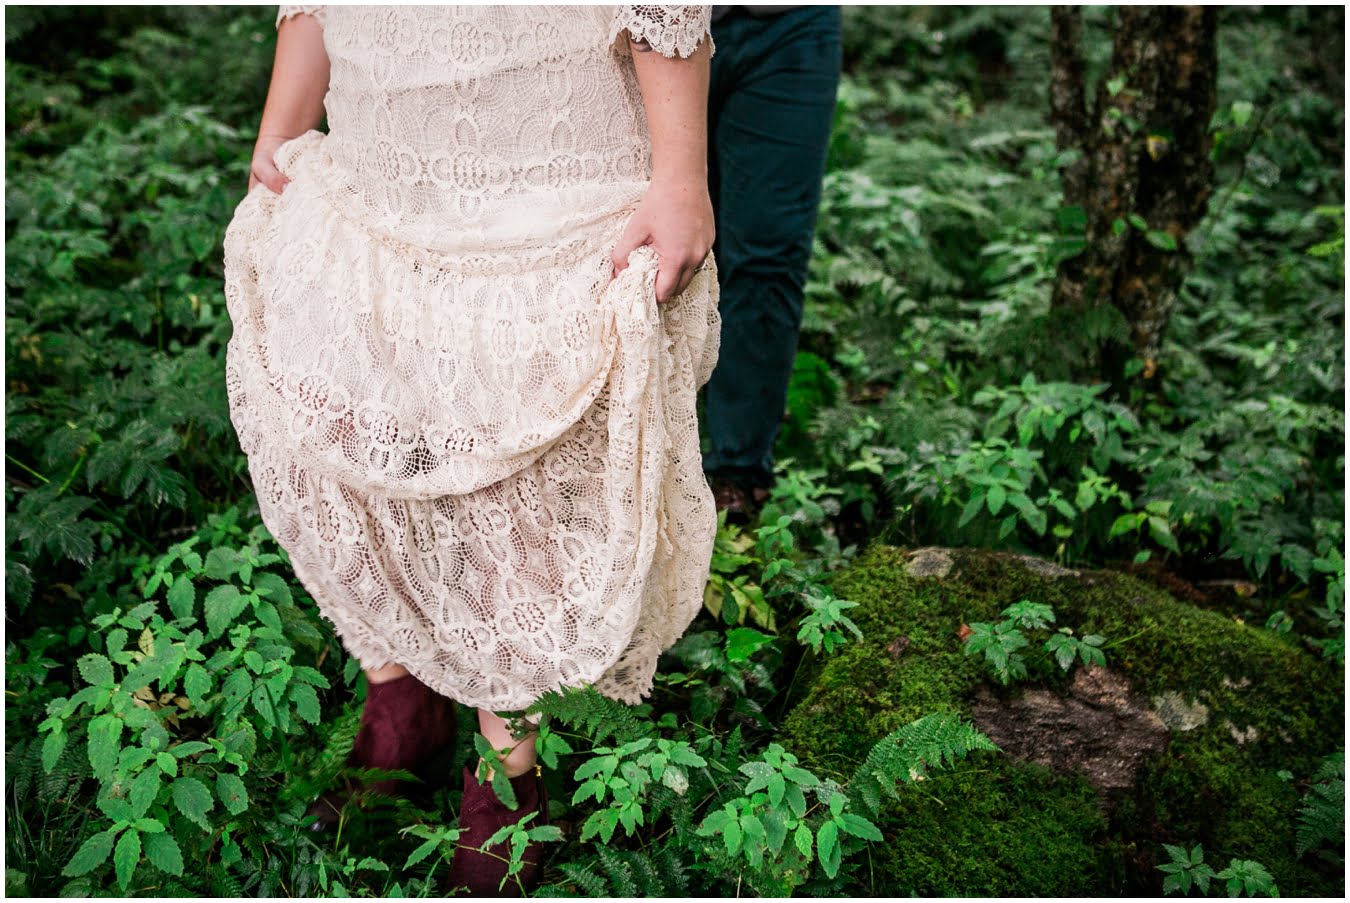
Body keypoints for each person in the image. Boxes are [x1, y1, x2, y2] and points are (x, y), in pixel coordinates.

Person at [223, 5, 719, 895]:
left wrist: (682, 173)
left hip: (537, 129)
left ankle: (506, 775)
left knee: (512, 463)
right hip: (382, 126)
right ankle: (402, 703)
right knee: (372, 421)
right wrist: (282, 123)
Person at [702, 5, 843, 522]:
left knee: (769, 252)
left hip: (792, 26)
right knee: (637, 235)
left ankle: (736, 475)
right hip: (654, 22)